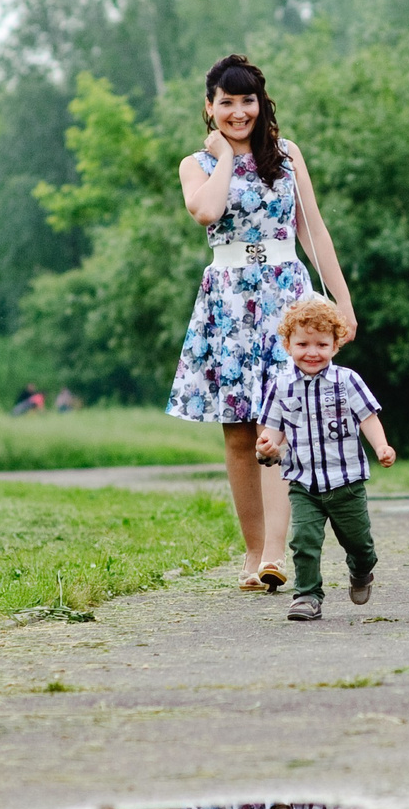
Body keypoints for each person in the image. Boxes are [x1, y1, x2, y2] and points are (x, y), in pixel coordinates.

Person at [168, 54, 361, 592]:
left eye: (246, 100)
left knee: (279, 420)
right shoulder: (196, 165)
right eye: (225, 102)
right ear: (210, 107)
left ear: (261, 103)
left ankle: (278, 552)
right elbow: (206, 213)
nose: (237, 111)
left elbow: (313, 232)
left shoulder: (288, 155)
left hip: (285, 296)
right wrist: (226, 156)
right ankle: (254, 554)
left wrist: (340, 303)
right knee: (238, 433)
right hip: (227, 300)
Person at [255, 295, 395, 622]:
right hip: (303, 482)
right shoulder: (281, 386)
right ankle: (307, 596)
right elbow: (271, 432)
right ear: (288, 345)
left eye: (321, 344)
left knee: (359, 544)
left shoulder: (347, 382)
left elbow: (368, 418)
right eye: (303, 344)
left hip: (345, 481)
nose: (312, 352)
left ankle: (361, 570)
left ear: (335, 345)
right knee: (303, 541)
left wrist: (382, 447)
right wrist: (266, 448)